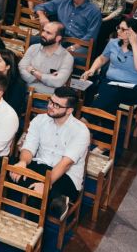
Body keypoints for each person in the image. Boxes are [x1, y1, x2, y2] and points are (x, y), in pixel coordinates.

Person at [11, 85, 91, 217]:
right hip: (41, 166)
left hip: (66, 176)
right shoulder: (39, 120)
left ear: (69, 110)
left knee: (37, 195)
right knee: (8, 165)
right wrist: (23, 162)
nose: (50, 106)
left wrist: (45, 184)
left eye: (57, 105)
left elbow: (66, 163)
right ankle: (56, 198)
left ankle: (31, 234)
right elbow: (29, 147)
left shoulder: (81, 131)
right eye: (50, 101)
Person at [81, 18, 137, 113]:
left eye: (123, 29)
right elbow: (102, 58)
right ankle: (105, 123)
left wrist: (134, 44)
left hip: (134, 87)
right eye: (118, 28)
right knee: (106, 91)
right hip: (111, 82)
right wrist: (92, 69)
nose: (118, 31)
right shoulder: (113, 42)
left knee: (108, 94)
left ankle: (86, 119)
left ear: (135, 33)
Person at [18, 21, 73, 94]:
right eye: (43, 31)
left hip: (45, 99)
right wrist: (46, 78)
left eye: (48, 33)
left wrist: (33, 72)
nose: (43, 34)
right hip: (24, 92)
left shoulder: (67, 58)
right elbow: (21, 68)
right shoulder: (33, 47)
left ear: (58, 38)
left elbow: (58, 82)